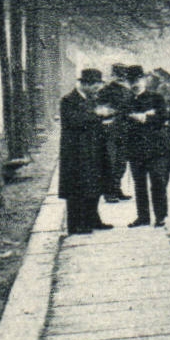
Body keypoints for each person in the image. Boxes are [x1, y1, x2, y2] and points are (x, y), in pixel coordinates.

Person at [58, 68, 116, 235]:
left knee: (94, 185)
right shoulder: (69, 100)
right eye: (95, 87)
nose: (97, 90)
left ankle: (93, 219)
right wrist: (98, 116)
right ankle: (76, 225)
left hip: (93, 149)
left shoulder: (91, 100)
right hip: (76, 152)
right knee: (77, 188)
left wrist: (104, 120)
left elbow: (93, 120)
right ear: (85, 84)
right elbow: (75, 120)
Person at [123, 72, 170, 227]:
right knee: (139, 184)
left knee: (158, 181)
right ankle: (143, 217)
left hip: (156, 148)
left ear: (143, 80)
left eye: (137, 79)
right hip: (135, 149)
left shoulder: (156, 98)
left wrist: (145, 117)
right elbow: (121, 122)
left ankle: (160, 216)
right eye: (131, 80)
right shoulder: (126, 100)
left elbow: (164, 116)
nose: (135, 83)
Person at [98, 64, 135, 202]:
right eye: (118, 75)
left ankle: (116, 188)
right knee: (110, 161)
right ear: (113, 75)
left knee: (121, 162)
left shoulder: (127, 92)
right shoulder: (104, 91)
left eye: (122, 75)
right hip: (109, 131)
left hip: (124, 130)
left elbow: (131, 110)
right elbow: (99, 110)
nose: (120, 78)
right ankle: (109, 192)